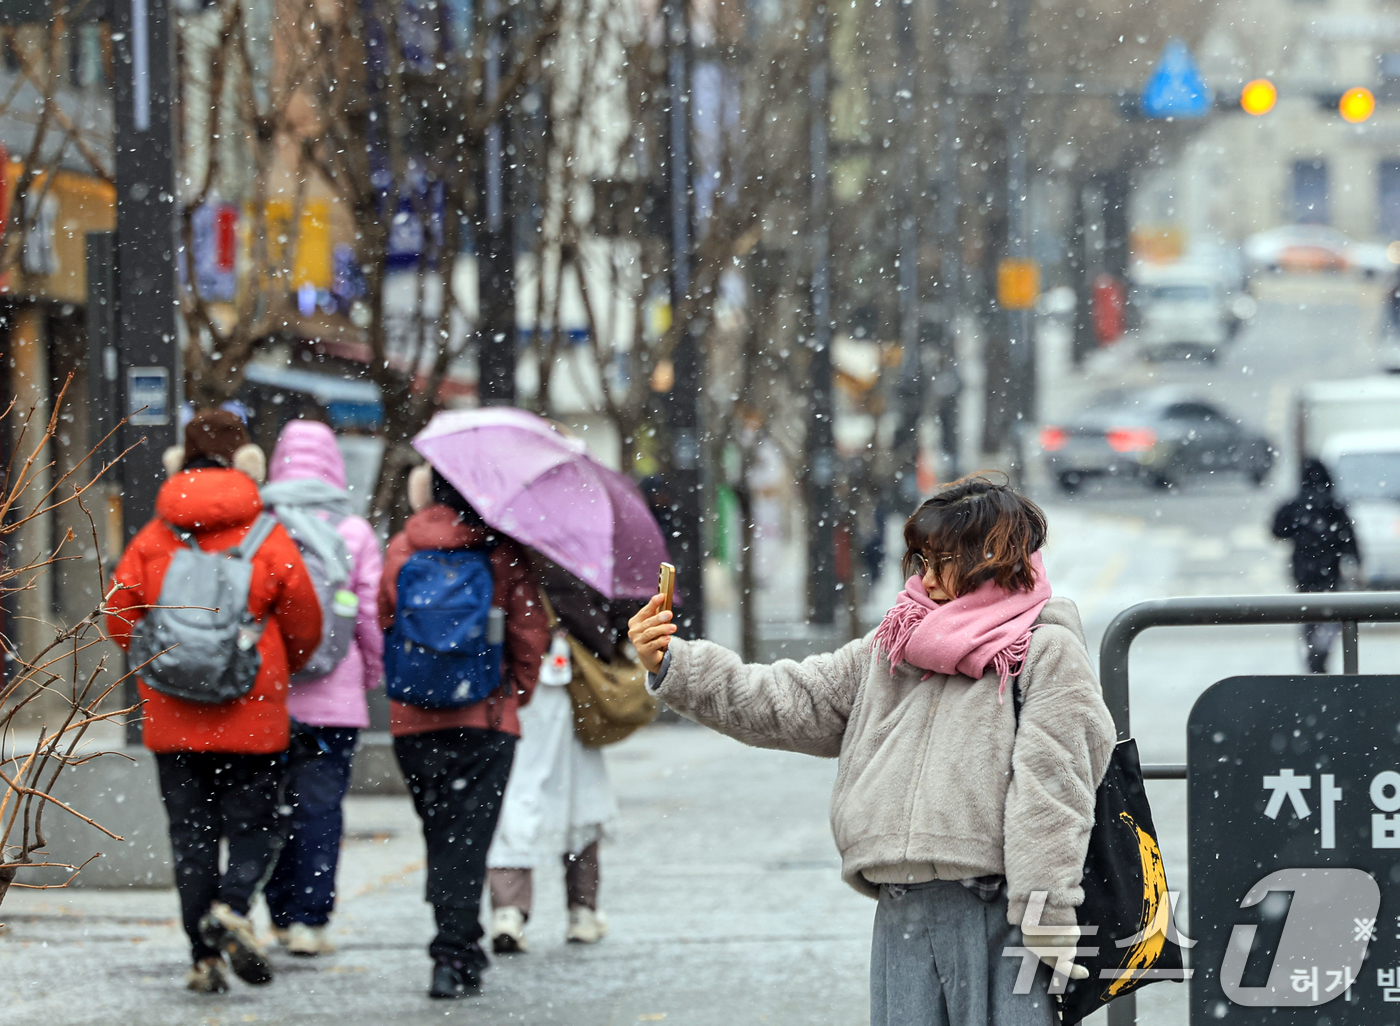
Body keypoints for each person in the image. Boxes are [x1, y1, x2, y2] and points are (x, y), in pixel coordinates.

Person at [629, 474, 1116, 1026]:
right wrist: (676, 665)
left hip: (999, 910)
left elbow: (1054, 789)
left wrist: (1045, 913)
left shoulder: (1045, 649)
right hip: (901, 911)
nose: (926, 578)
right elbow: (786, 701)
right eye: (922, 560)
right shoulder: (894, 645)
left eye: (943, 561)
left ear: (991, 560)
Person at [107, 410, 322, 994]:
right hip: (252, 714)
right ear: (246, 462)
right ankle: (232, 907)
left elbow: (118, 612)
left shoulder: (157, 534)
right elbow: (306, 622)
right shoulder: (265, 534)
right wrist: (270, 666)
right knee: (256, 825)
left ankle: (203, 960)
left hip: (173, 718)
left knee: (191, 838)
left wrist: (164, 662)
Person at [380, 467, 548, 999]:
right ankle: (451, 953)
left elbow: (385, 617)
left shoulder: (403, 548)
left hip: (413, 718)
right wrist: (516, 691)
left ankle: (460, 940)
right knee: (468, 835)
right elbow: (529, 632)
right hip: (485, 718)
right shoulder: (502, 555)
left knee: (440, 830)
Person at [261, 420, 384, 956]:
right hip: (336, 701)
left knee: (270, 808)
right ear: (333, 464)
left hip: (271, 698)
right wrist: (370, 673)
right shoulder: (353, 531)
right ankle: (312, 920)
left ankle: (280, 914)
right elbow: (370, 617)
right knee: (321, 809)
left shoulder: (261, 525)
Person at [486, 560, 629, 953]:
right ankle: (582, 910)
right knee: (581, 792)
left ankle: (508, 910)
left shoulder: (500, 545)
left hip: (516, 692)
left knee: (516, 792)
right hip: (572, 691)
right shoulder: (580, 550)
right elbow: (607, 626)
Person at [1272, 458, 1360, 673]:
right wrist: (1356, 562)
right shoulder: (1334, 505)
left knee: (1308, 612)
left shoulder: (1296, 504)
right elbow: (1349, 538)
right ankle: (1321, 650)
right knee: (1330, 612)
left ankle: (1313, 648)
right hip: (1329, 569)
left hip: (1303, 570)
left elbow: (1277, 530)